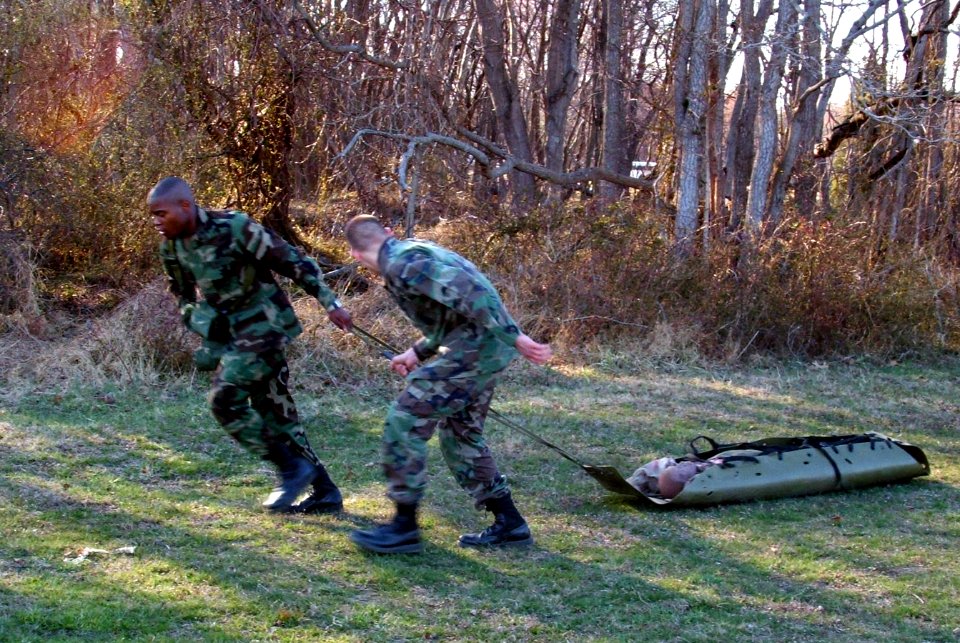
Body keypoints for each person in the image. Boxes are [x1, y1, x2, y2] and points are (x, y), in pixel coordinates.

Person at [343, 215, 552, 554]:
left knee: (404, 421)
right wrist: (416, 351)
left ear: (355, 254)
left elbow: (472, 293)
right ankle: (510, 524)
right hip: (481, 346)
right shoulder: (411, 253)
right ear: (388, 233)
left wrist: (515, 336)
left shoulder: (401, 265)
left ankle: (403, 528)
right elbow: (451, 314)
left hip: (478, 349)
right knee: (461, 435)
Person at [148, 176, 351, 514]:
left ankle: (291, 471)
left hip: (266, 326)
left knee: (224, 399)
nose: (156, 221)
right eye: (152, 215)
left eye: (161, 213)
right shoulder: (172, 247)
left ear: (186, 206)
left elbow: (293, 262)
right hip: (232, 336)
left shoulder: (236, 228)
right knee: (277, 415)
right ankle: (325, 491)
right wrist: (200, 322)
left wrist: (330, 303)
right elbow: (181, 296)